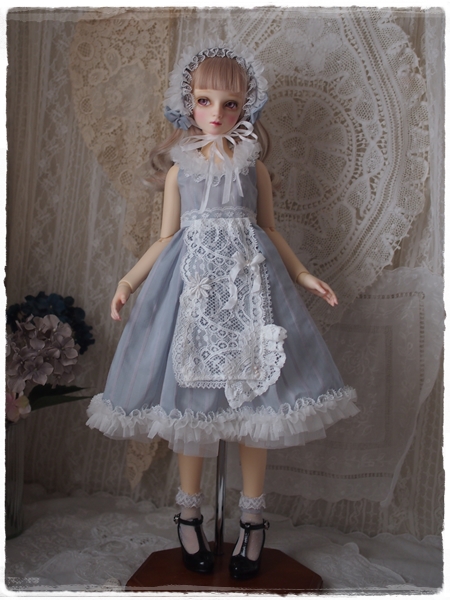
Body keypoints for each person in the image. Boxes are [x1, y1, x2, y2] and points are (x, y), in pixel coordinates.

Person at [86, 41, 358, 580]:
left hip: (250, 288)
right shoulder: (179, 171)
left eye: (230, 104)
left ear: (246, 107)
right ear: (187, 103)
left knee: (258, 404)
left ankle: (253, 521)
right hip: (191, 291)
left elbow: (270, 228)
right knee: (191, 407)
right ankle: (189, 514)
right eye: (205, 101)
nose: (216, 113)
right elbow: (165, 238)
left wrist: (302, 275)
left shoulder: (252, 167)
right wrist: (128, 281)